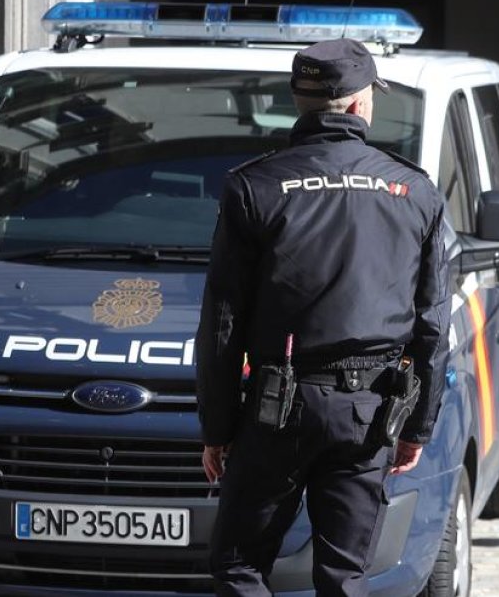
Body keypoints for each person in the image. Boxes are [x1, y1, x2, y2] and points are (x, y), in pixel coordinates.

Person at [195, 38, 452, 596]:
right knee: (344, 577)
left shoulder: (254, 184)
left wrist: (217, 428)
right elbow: (432, 323)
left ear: (300, 101)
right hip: (370, 410)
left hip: (276, 409)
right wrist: (418, 425)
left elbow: (222, 323)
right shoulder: (414, 189)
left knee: (239, 567)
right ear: (360, 105)